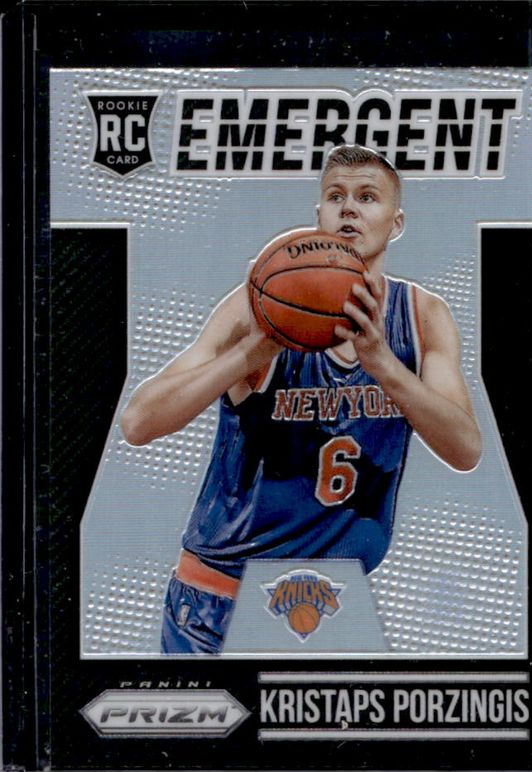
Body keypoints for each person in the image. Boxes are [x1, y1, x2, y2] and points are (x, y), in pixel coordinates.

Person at [121, 144, 482, 654]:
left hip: (332, 604)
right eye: (335, 196)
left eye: (367, 197)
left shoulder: (422, 317)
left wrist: (382, 364)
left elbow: (465, 449)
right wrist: (250, 353)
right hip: (222, 597)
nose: (349, 208)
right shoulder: (260, 304)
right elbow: (139, 422)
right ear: (319, 217)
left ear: (396, 223)